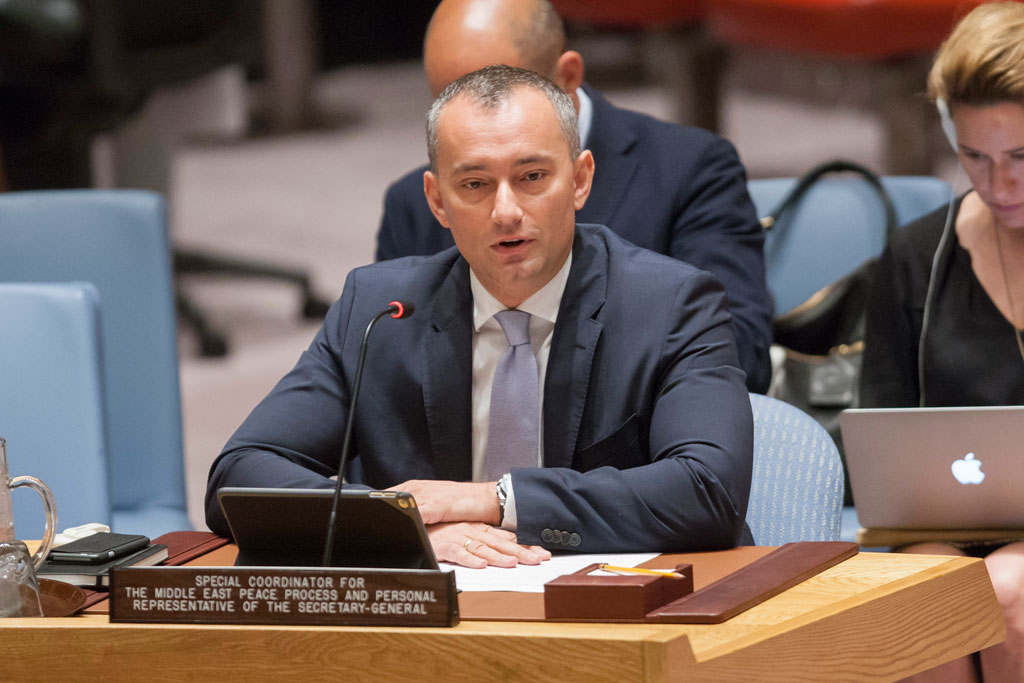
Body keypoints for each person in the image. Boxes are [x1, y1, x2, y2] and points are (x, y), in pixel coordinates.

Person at [206, 65, 754, 569]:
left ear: (581, 179)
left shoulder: (672, 304)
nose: (506, 211)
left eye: (532, 177)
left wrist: (494, 500)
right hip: (434, 619)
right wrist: (399, 529)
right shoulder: (379, 310)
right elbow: (239, 475)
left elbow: (708, 490)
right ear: (437, 200)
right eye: (474, 184)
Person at [375, 0, 773, 394]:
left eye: (499, 100)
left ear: (567, 77)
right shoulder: (412, 204)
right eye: (447, 103)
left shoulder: (691, 169)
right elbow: (382, 375)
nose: (475, 125)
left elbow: (737, 354)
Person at [861, 3, 1024, 680]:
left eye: (1021, 157)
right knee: (924, 597)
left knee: (1009, 592)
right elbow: (881, 436)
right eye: (974, 157)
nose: (998, 184)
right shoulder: (917, 255)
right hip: (943, 531)